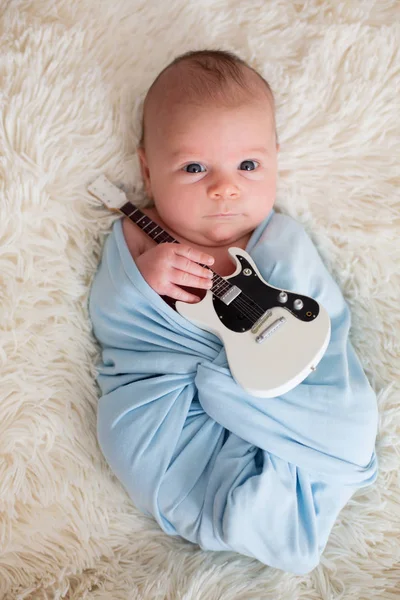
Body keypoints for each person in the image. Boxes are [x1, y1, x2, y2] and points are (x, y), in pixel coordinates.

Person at [88, 50, 378, 574]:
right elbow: (113, 320)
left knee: (356, 419)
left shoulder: (281, 241)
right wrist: (144, 285)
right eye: (194, 167)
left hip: (285, 398)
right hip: (176, 402)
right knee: (124, 433)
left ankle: (275, 502)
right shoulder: (135, 237)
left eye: (248, 165)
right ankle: (227, 500)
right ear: (148, 171)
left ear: (275, 158)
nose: (225, 188)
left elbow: (325, 321)